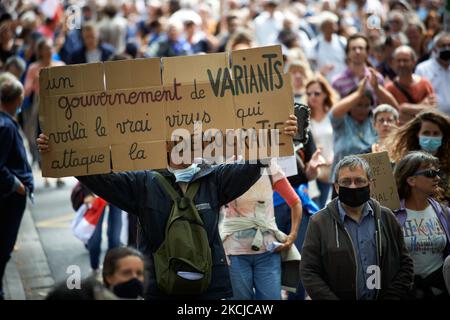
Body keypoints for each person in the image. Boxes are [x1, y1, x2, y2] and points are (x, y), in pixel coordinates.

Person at [37, 115, 298, 300]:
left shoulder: (215, 178)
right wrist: (59, 152)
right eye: (177, 140)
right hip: (159, 289)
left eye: (190, 139)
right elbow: (99, 179)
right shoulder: (144, 183)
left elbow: (253, 166)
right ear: (164, 145)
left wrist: (280, 133)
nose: (184, 145)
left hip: (210, 290)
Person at [300, 155, 414, 300]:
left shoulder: (387, 218)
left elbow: (405, 264)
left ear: (371, 185)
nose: (353, 186)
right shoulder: (319, 222)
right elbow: (309, 271)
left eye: (359, 181)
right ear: (336, 187)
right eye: (346, 181)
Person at [220, 160, 302, 300]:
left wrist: (292, 236)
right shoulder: (227, 166)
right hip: (233, 252)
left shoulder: (270, 166)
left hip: (268, 252)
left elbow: (295, 202)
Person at [393, 151, 450, 299]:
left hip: (441, 290)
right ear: (411, 180)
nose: (437, 178)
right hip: (407, 292)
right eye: (430, 173)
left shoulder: (444, 213)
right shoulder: (392, 215)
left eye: (437, 172)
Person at [0, 77, 34, 300]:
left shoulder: (7, 122)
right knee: (4, 246)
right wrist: (18, 186)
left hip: (12, 196)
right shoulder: (5, 127)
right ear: (15, 99)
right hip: (10, 198)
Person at [387, 110, 450, 203]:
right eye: (426, 133)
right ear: (417, 135)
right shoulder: (404, 166)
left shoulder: (448, 166)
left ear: (443, 136)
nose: (431, 138)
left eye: (436, 134)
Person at [332, 33, 398, 108]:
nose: (357, 52)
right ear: (348, 53)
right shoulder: (337, 81)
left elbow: (387, 106)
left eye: (361, 48)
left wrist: (376, 88)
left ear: (367, 53)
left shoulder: (377, 79)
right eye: (353, 48)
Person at [305, 74, 337, 208]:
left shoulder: (333, 115)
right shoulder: (304, 119)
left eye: (317, 93)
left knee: (327, 208)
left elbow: (339, 139)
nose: (312, 96)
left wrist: (333, 157)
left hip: (331, 169)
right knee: (315, 209)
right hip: (311, 172)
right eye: (309, 93)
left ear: (325, 94)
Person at [385, 45, 436, 125]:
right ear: (393, 63)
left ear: (414, 62)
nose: (402, 64)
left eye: (405, 60)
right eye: (399, 61)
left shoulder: (425, 84)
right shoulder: (389, 88)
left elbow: (432, 109)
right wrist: (421, 106)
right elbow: (393, 115)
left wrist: (405, 107)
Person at [415, 32, 450, 116]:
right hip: (434, 118)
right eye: (443, 46)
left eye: (449, 45)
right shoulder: (423, 69)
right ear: (434, 49)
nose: (447, 48)